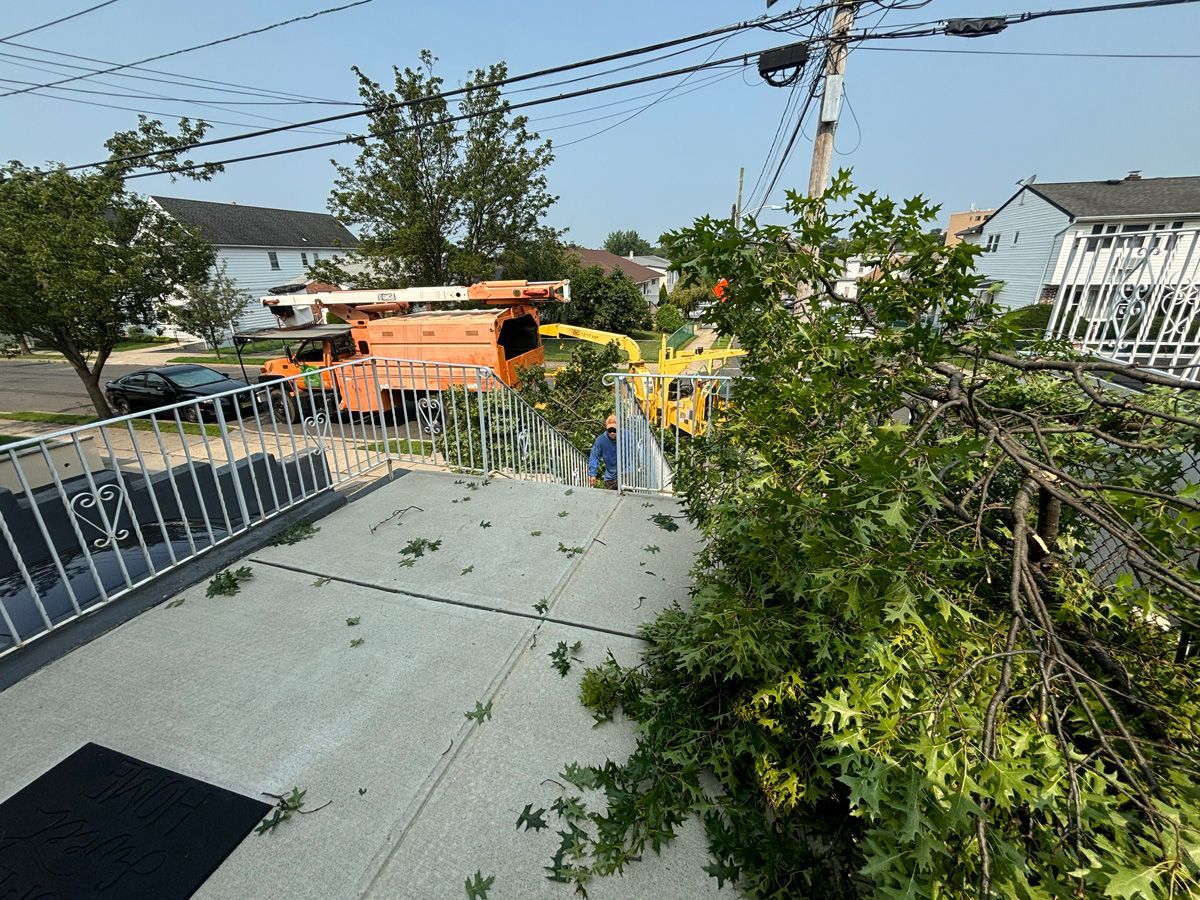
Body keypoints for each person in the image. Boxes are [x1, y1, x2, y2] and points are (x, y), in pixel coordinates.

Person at [588, 414, 618, 489]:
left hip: (626, 473)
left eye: (614, 430)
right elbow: (594, 457)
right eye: (609, 430)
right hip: (610, 476)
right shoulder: (601, 440)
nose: (612, 433)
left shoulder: (626, 436)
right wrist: (592, 474)